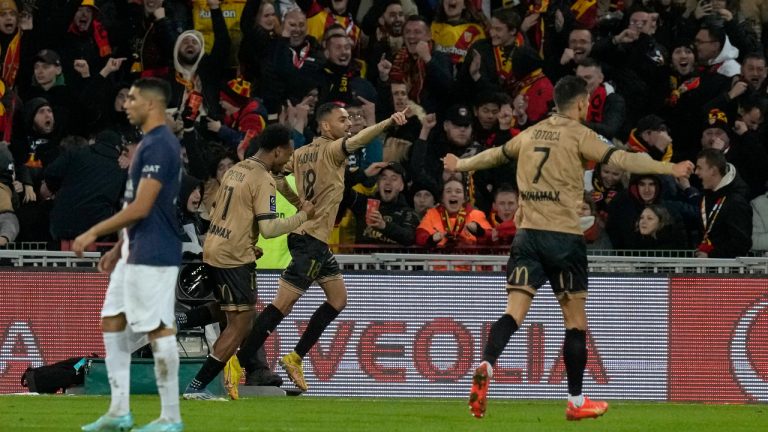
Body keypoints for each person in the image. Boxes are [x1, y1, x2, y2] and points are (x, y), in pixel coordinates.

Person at [443, 75, 693, 421]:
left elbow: (493, 156)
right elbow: (622, 160)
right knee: (575, 324)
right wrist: (669, 166)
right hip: (563, 238)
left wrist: (460, 164)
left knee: (513, 313)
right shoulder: (580, 135)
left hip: (527, 236)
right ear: (580, 103)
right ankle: (576, 402)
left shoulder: (528, 134)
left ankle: (487, 363)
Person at [234, 102, 409, 392]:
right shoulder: (332, 149)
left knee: (338, 299)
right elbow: (358, 141)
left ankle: (294, 357)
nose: (349, 123)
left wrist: (294, 199)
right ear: (326, 127)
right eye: (343, 120)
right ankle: (236, 364)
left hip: (312, 241)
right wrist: (388, 122)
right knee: (282, 305)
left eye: (349, 119)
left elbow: (276, 174)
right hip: (310, 241)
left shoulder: (301, 153)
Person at [72, 77, 184, 432]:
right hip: (134, 249)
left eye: (132, 98)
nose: (126, 104)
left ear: (151, 105)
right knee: (112, 320)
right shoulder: (147, 144)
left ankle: (170, 417)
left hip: (155, 250)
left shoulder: (161, 146)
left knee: (158, 328)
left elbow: (143, 207)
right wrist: (119, 248)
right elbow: (135, 205)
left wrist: (94, 232)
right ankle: (119, 411)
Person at [182, 124, 315, 400]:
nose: (288, 161)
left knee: (226, 308)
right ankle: (198, 386)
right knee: (242, 323)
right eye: (287, 155)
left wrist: (245, 242)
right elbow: (269, 229)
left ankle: (178, 321)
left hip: (215, 248)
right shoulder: (263, 179)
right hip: (233, 257)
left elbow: (222, 211)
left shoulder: (236, 169)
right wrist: (303, 215)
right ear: (277, 151)